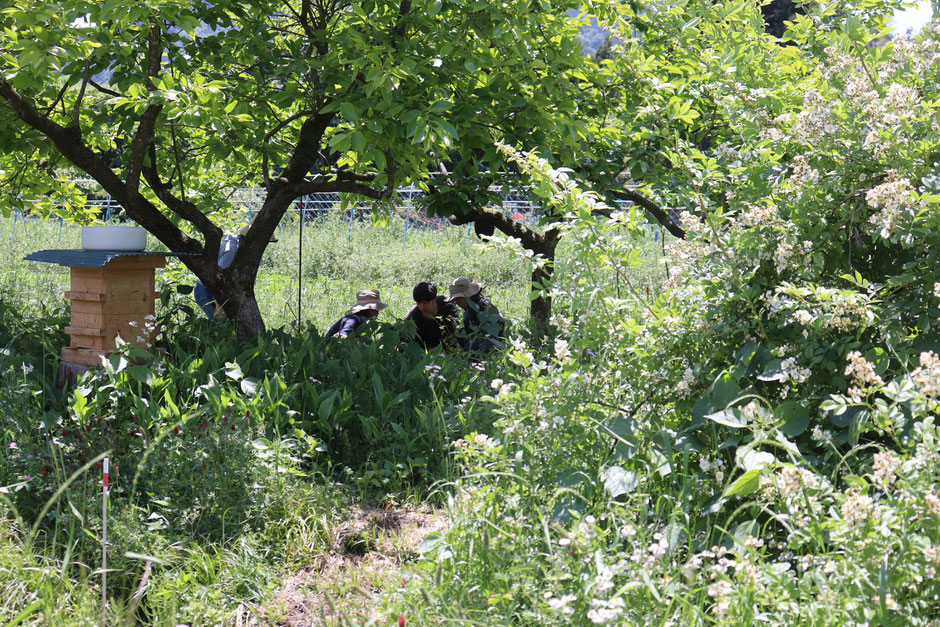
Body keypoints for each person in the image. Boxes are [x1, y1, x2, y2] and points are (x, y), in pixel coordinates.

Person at [193, 222, 277, 322]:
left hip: (226, 291)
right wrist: (219, 305)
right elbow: (219, 279)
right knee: (223, 326)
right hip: (209, 290)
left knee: (233, 326)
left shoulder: (244, 248)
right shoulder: (233, 252)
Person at [446, 277, 507, 354]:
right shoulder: (470, 308)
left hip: (492, 339)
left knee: (470, 346)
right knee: (460, 333)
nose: (457, 303)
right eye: (455, 300)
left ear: (469, 295)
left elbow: (495, 330)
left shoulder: (482, 307)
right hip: (479, 337)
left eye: (459, 299)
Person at [402, 281, 460, 351]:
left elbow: (454, 328)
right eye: (418, 303)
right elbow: (403, 339)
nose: (422, 307)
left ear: (434, 299)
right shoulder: (413, 315)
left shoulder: (447, 304)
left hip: (447, 343)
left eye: (425, 303)